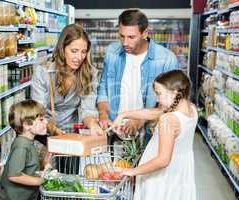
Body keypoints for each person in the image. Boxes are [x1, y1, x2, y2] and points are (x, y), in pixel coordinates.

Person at [97, 9, 179, 145]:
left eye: (131, 37)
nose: (124, 42)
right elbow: (103, 89)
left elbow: (171, 104)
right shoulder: (112, 52)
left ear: (145, 33)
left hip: (149, 134)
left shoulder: (166, 59)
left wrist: (139, 120)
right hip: (114, 130)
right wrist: (103, 115)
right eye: (121, 36)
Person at [112, 70, 198, 200]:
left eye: (159, 93)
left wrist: (132, 171)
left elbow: (163, 160)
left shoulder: (168, 120)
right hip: (180, 174)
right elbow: (155, 112)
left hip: (160, 179)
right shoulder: (191, 108)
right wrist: (124, 114)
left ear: (175, 92)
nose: (157, 99)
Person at [31, 24, 103, 140]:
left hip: (72, 133)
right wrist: (54, 130)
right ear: (62, 49)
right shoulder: (43, 72)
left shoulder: (89, 74)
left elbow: (88, 110)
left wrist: (93, 125)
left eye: (83, 52)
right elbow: (37, 114)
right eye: (74, 51)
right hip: (44, 133)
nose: (79, 57)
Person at [0, 100, 50, 200]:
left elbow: (28, 168)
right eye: (41, 119)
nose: (46, 122)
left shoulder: (28, 142)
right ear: (27, 125)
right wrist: (40, 180)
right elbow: (14, 175)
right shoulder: (22, 145)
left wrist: (45, 164)